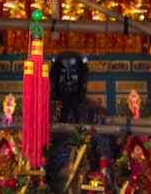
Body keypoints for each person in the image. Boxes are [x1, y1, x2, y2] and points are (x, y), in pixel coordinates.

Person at [47, 51, 115, 193]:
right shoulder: (43, 111)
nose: (68, 78)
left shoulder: (96, 112)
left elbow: (106, 155)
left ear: (83, 77)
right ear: (53, 77)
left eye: (74, 72)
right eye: (62, 73)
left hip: (86, 185)